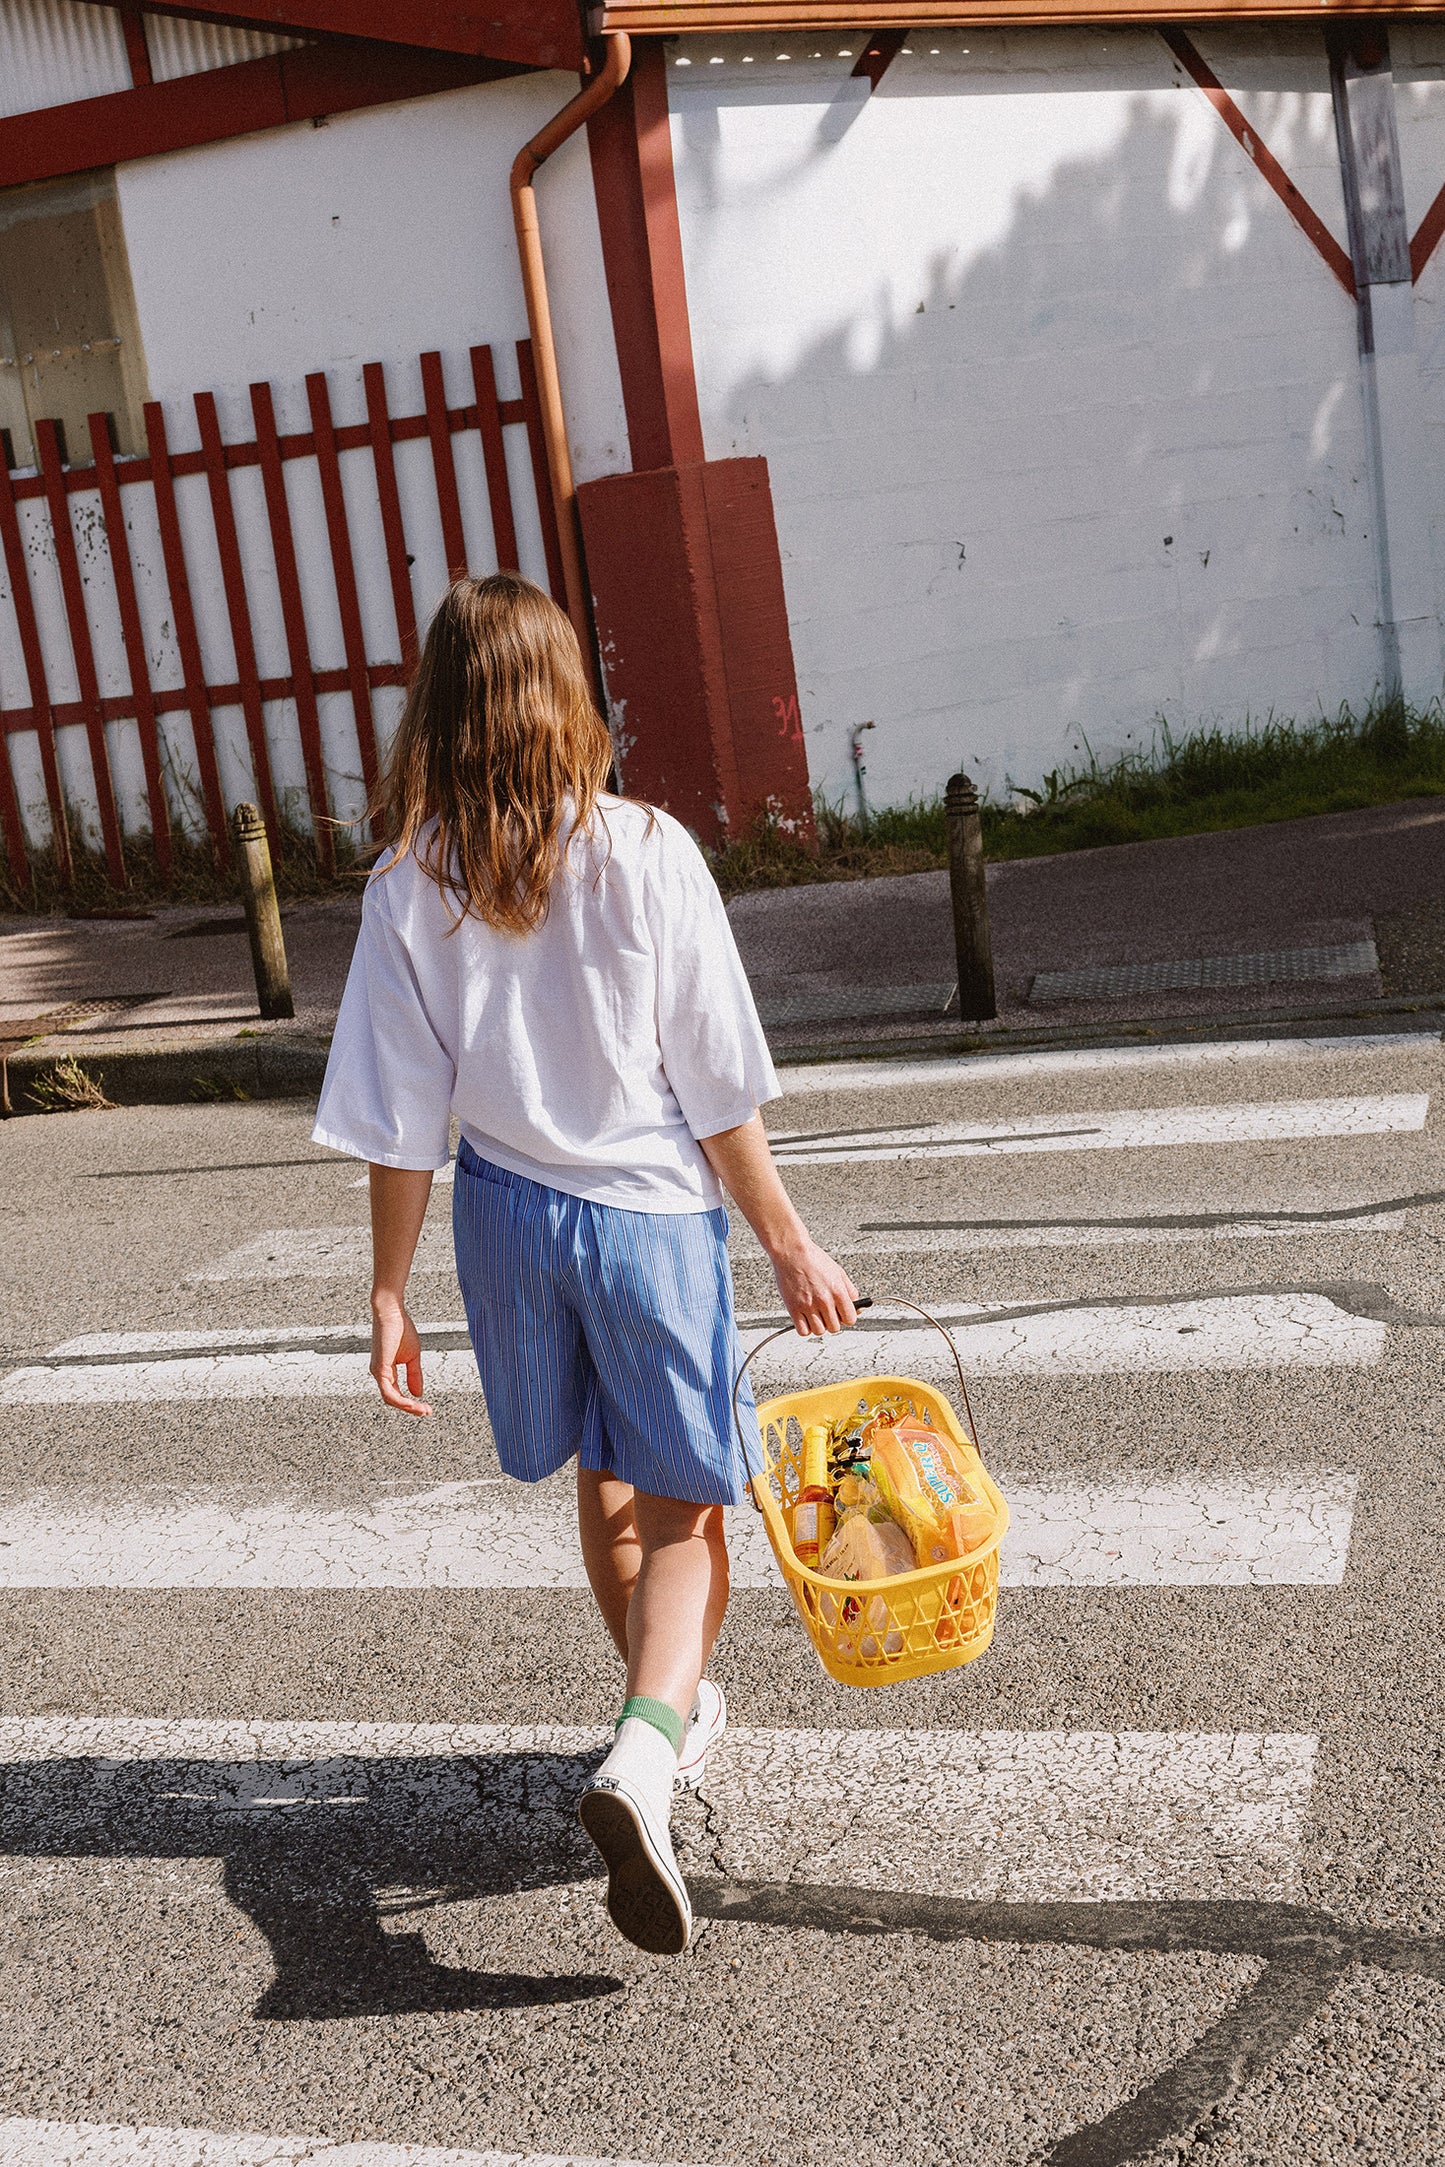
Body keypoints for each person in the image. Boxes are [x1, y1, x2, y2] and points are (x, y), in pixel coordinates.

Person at [312, 573, 857, 1959]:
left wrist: (387, 1293)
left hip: (503, 1220)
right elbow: (715, 1083)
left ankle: (652, 1710)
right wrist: (788, 1238)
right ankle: (645, 1744)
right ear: (570, 696)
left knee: (605, 1475)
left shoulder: (407, 881)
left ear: (437, 707)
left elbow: (396, 1115)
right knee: (688, 1506)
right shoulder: (643, 849)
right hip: (644, 1217)